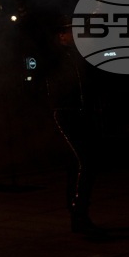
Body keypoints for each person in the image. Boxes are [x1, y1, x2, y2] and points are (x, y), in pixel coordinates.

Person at [43, 20, 106, 236]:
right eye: (71, 31)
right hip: (63, 112)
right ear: (61, 35)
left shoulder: (77, 56)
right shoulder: (53, 56)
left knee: (76, 163)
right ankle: (79, 215)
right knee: (85, 161)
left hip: (78, 112)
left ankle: (77, 215)